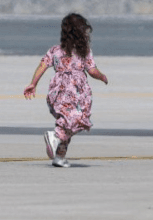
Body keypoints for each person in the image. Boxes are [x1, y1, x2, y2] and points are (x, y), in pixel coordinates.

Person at [23, 13, 108, 168]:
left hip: (57, 91)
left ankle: (60, 156)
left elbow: (43, 65)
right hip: (75, 92)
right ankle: (54, 136)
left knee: (67, 123)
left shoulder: (55, 50)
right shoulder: (84, 51)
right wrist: (102, 77)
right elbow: (92, 70)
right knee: (78, 119)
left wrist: (33, 83)